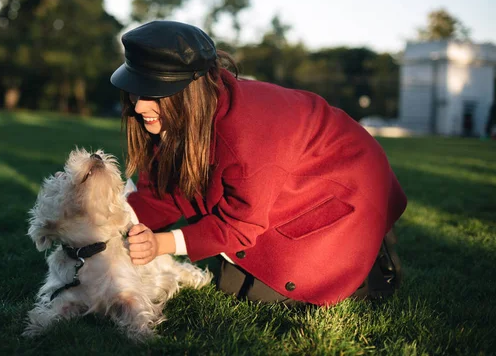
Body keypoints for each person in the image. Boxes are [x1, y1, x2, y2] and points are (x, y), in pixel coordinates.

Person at [110, 20, 407, 306]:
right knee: (230, 276)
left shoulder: (247, 135)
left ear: (191, 92)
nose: (138, 105)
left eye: (152, 93)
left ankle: (368, 262)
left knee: (268, 283)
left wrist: (161, 244)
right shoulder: (186, 116)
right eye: (136, 89)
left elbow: (240, 226)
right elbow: (161, 195)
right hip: (279, 186)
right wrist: (105, 225)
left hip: (341, 188)